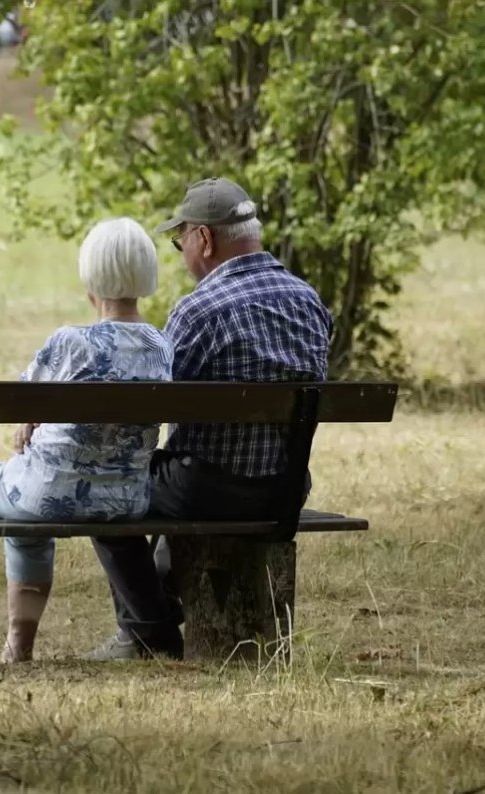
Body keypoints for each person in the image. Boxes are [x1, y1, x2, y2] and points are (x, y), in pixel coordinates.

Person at [83, 178, 334, 661]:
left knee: (104, 486)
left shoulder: (198, 311)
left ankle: (148, 633)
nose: (182, 255)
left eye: (180, 244)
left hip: (207, 489)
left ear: (204, 238)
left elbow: (153, 405)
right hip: (285, 489)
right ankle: (153, 617)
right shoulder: (309, 302)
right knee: (174, 475)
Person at [0, 217, 174, 667]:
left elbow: (20, 403)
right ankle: (17, 648)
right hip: (125, 500)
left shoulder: (70, 342)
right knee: (23, 517)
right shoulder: (162, 346)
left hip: (46, 493)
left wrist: (29, 420)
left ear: (90, 277)